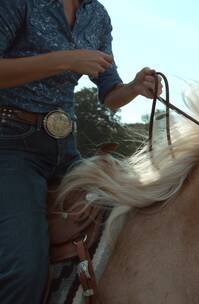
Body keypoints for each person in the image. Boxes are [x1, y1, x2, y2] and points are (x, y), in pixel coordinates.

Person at [0, 0, 163, 303]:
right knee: (23, 270)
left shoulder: (97, 16)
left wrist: (134, 87)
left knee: (129, 218)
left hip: (66, 150)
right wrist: (65, 60)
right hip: (10, 146)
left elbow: (110, 94)